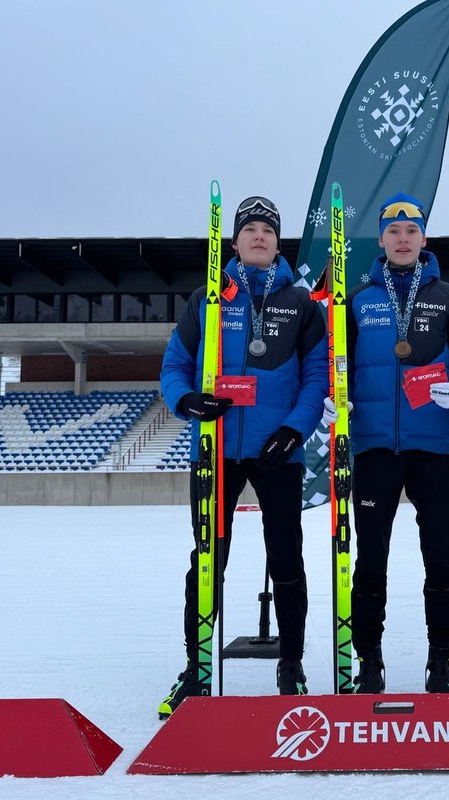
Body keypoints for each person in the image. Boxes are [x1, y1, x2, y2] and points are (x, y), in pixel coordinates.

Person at [158, 195, 328, 714]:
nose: (259, 236)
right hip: (216, 449)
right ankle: (197, 667)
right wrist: (185, 400)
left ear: (279, 243)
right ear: (234, 242)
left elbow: (318, 375)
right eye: (250, 229)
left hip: (278, 451)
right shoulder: (207, 299)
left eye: (268, 230)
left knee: (287, 558)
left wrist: (295, 430)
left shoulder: (301, 305)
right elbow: (174, 364)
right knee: (208, 560)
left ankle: (292, 664)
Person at [321, 192, 449, 694]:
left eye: (411, 231)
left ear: (423, 239)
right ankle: (369, 661)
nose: (403, 239)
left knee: (441, 557)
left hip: (432, 445)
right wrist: (334, 399)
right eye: (394, 232)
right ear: (382, 240)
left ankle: (442, 661)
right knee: (371, 559)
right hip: (372, 446)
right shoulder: (358, 296)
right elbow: (336, 362)